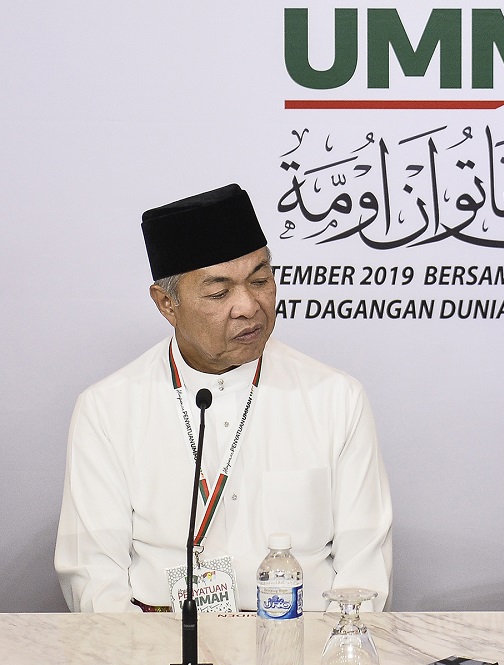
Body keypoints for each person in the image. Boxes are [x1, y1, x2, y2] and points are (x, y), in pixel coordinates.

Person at [55, 183, 392, 613]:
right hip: (159, 639)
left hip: (302, 638)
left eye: (260, 280)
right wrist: (152, 648)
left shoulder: (336, 398)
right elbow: (93, 576)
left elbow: (364, 571)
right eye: (219, 293)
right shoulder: (107, 409)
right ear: (167, 303)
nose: (249, 306)